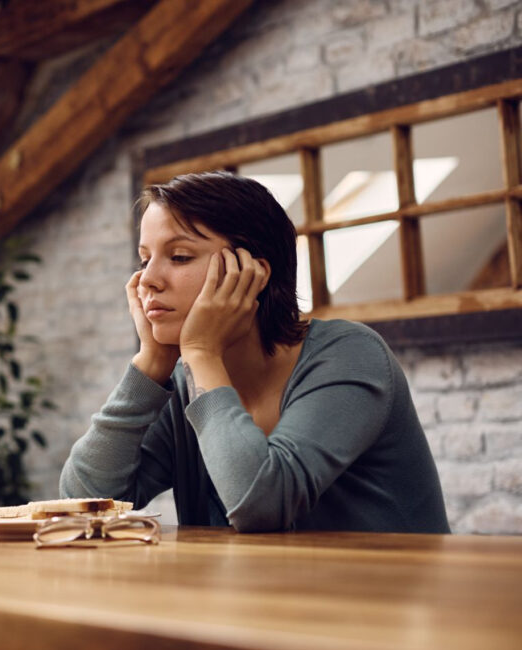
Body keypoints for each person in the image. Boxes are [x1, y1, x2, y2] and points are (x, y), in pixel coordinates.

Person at [59, 172, 450, 533]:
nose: (147, 280)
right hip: (257, 602)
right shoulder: (184, 379)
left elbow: (260, 504)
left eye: (178, 257)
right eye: (145, 259)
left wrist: (200, 352)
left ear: (253, 273)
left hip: (382, 602)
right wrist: (150, 365)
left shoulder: (350, 355)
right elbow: (83, 499)